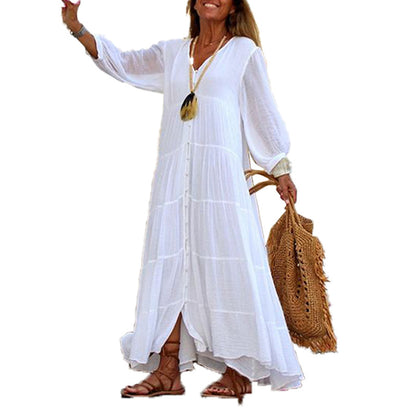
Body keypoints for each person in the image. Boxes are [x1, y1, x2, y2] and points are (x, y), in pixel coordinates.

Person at [62, 0, 303, 404]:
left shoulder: (243, 53)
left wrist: (280, 168)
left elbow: (262, 112)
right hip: (175, 183)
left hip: (222, 184)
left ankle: (238, 370)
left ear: (234, 6)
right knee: (172, 260)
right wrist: (76, 27)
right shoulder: (173, 53)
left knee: (228, 262)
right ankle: (167, 370)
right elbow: (122, 63)